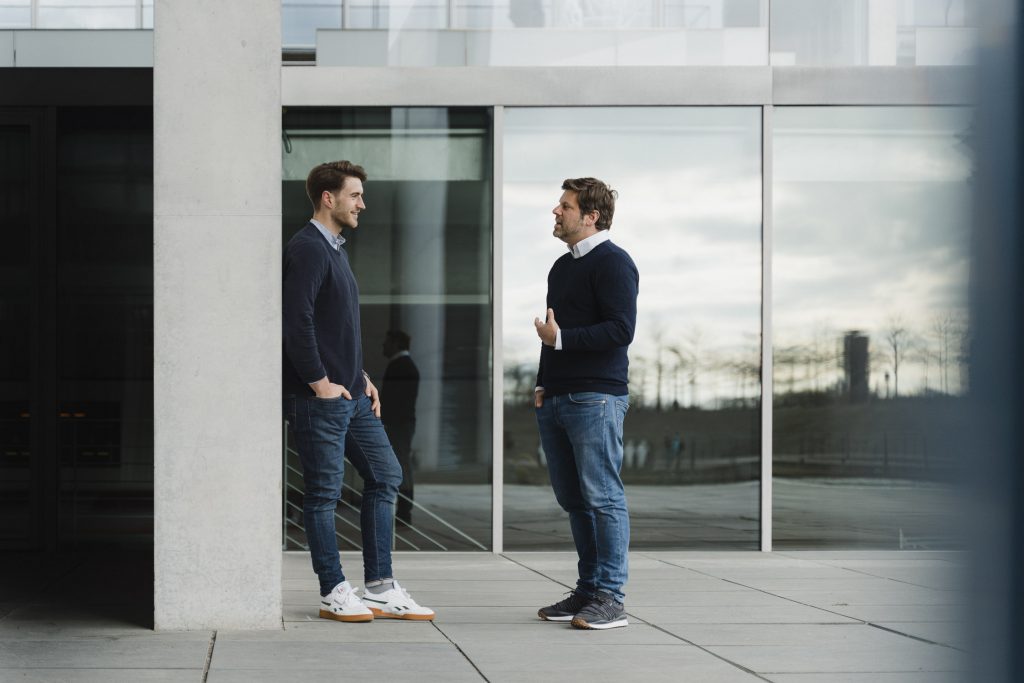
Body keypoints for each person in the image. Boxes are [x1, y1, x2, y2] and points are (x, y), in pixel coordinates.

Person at [283, 160, 435, 623]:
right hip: (322, 400)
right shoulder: (308, 248)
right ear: (328, 198)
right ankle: (333, 589)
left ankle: (380, 587)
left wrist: (361, 374)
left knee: (386, 475)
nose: (362, 203)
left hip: (351, 395)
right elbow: (297, 321)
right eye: (355, 195)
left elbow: (338, 329)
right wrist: (320, 382)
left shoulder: (335, 251)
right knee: (324, 494)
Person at [533, 177, 639, 630]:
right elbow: (552, 334)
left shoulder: (615, 263)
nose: (556, 212)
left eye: (565, 206)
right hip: (556, 397)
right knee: (574, 500)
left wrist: (563, 341)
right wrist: (543, 382)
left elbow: (621, 330)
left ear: (591, 216)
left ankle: (612, 598)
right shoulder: (561, 267)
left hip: (596, 398)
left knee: (603, 498)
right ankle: (589, 589)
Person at [380, 329, 419, 525]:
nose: (383, 346)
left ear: (396, 343)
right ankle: (403, 511)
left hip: (399, 425)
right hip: (400, 424)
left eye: (386, 342)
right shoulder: (402, 365)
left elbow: (396, 401)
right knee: (401, 464)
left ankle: (404, 512)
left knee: (402, 465)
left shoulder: (402, 366)